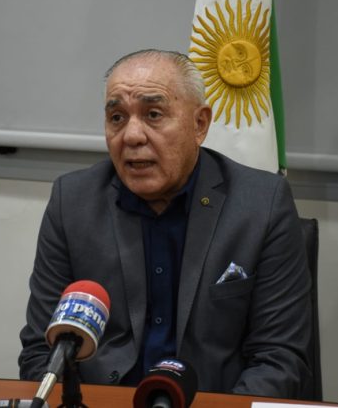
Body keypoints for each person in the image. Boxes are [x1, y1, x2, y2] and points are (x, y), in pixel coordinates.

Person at [18, 49, 312, 398]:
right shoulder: (72, 202)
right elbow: (42, 351)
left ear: (199, 124)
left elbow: (278, 359)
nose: (132, 136)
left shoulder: (261, 204)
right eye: (116, 117)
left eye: (153, 114)